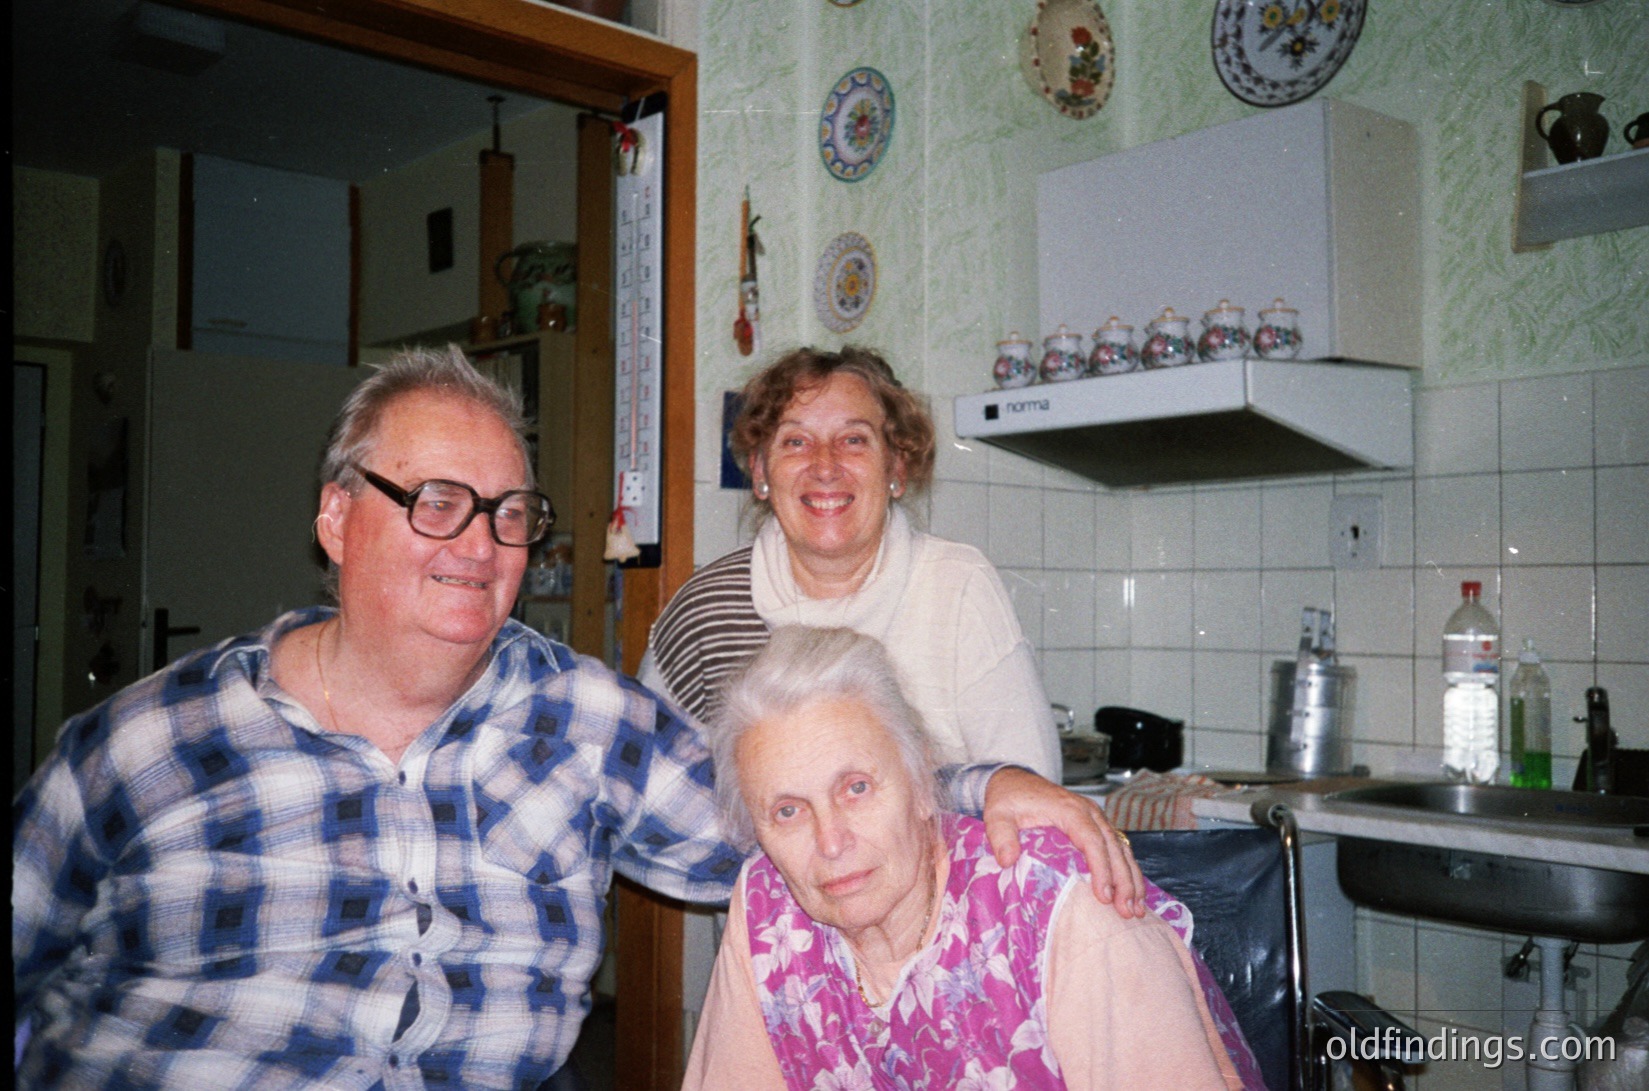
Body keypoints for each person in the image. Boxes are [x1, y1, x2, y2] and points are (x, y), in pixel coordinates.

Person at [13, 346, 1141, 1089]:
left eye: (509, 511)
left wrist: (980, 786)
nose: (479, 541)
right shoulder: (145, 748)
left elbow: (783, 816)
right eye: (435, 501)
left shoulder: (583, 724)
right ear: (335, 518)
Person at [683, 626, 1260, 1091]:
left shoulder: (1060, 908)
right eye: (787, 812)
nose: (831, 843)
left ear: (920, 777)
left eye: (856, 787)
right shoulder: (767, 906)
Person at [642, 345, 1062, 782]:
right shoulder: (706, 611)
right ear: (761, 473)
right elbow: (646, 802)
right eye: (796, 441)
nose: (825, 466)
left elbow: (1031, 793)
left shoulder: (957, 585)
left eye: (854, 440)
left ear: (895, 466)